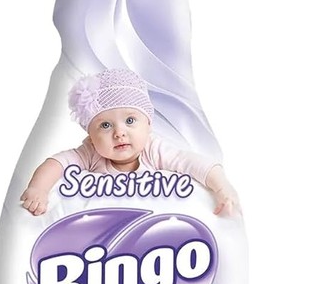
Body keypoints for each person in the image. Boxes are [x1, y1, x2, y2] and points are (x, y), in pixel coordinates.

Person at [21, 68, 240, 216]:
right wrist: (38, 189)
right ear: (91, 136)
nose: (119, 133)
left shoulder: (153, 149)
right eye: (105, 125)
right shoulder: (90, 153)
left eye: (130, 121)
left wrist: (222, 188)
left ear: (148, 124)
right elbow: (56, 163)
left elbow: (194, 163)